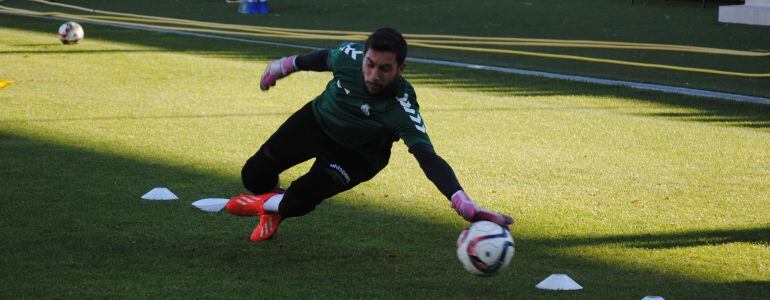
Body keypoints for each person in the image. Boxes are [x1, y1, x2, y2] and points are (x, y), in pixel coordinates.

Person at [226, 28, 513, 241]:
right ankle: (273, 202)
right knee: (253, 175)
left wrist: (462, 202)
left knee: (300, 200)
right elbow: (325, 58)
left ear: (401, 69)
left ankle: (275, 207)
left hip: (357, 156)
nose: (373, 75)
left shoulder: (401, 105)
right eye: (370, 64)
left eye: (385, 69)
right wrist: (284, 66)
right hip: (317, 121)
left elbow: (428, 158)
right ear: (364, 57)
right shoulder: (351, 58)